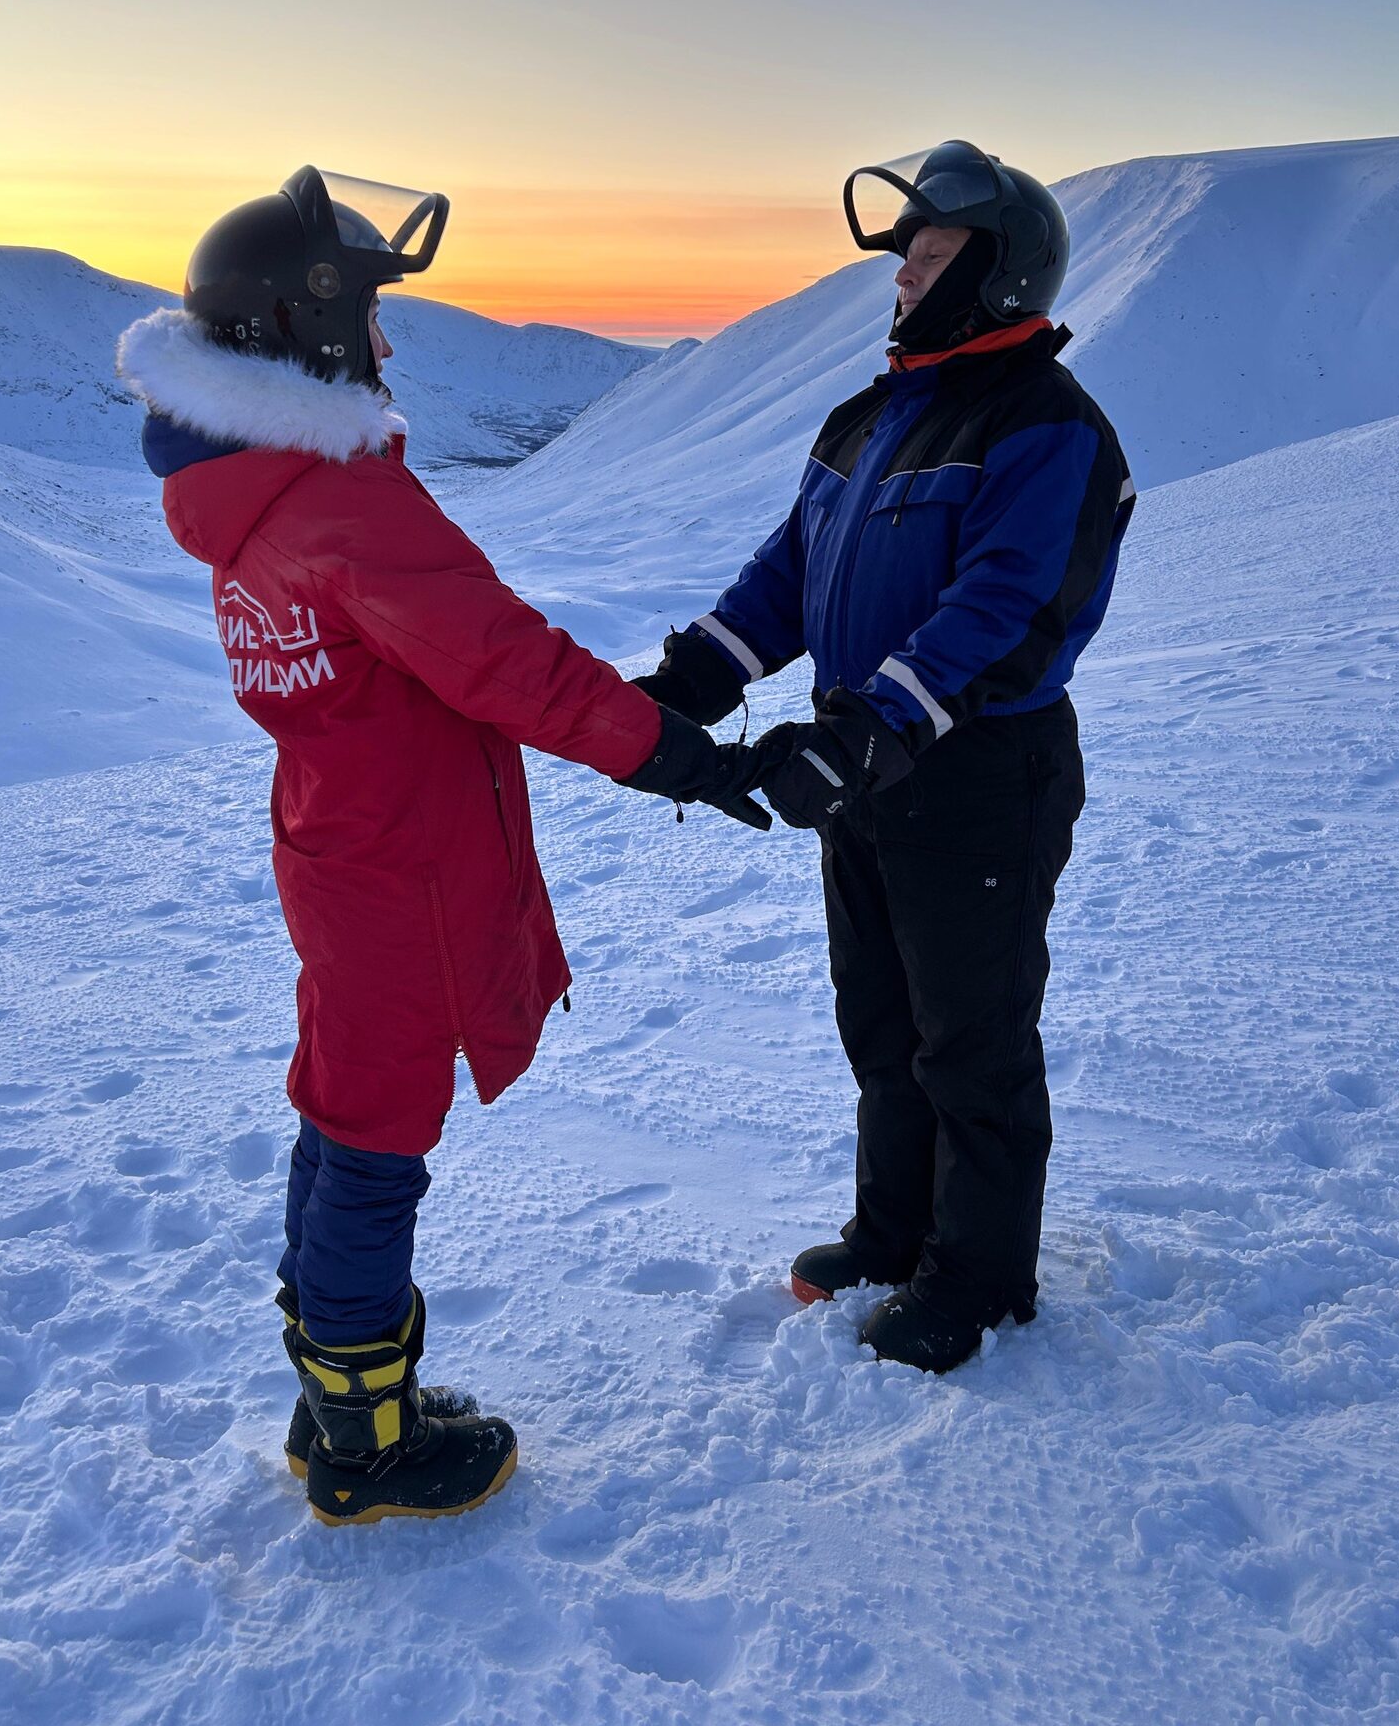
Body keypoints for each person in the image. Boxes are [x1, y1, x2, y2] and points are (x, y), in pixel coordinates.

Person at [117, 166, 762, 1523]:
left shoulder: (251, 493)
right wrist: (682, 758)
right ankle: (364, 1442)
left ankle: (336, 1396)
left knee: (341, 1108)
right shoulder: (340, 503)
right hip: (397, 870)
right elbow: (502, 661)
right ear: (310, 329)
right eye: (374, 318)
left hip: (342, 846)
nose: (392, 347)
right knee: (374, 1136)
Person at [635, 142, 1134, 1374]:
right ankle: (897, 1230)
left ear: (999, 273)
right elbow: (792, 572)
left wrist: (874, 727)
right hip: (868, 768)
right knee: (883, 1019)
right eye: (903, 255)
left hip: (976, 775)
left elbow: (1005, 611)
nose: (901, 275)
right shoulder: (872, 413)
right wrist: (700, 671)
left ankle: (979, 1277)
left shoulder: (1046, 426)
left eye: (926, 253)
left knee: (972, 1033)